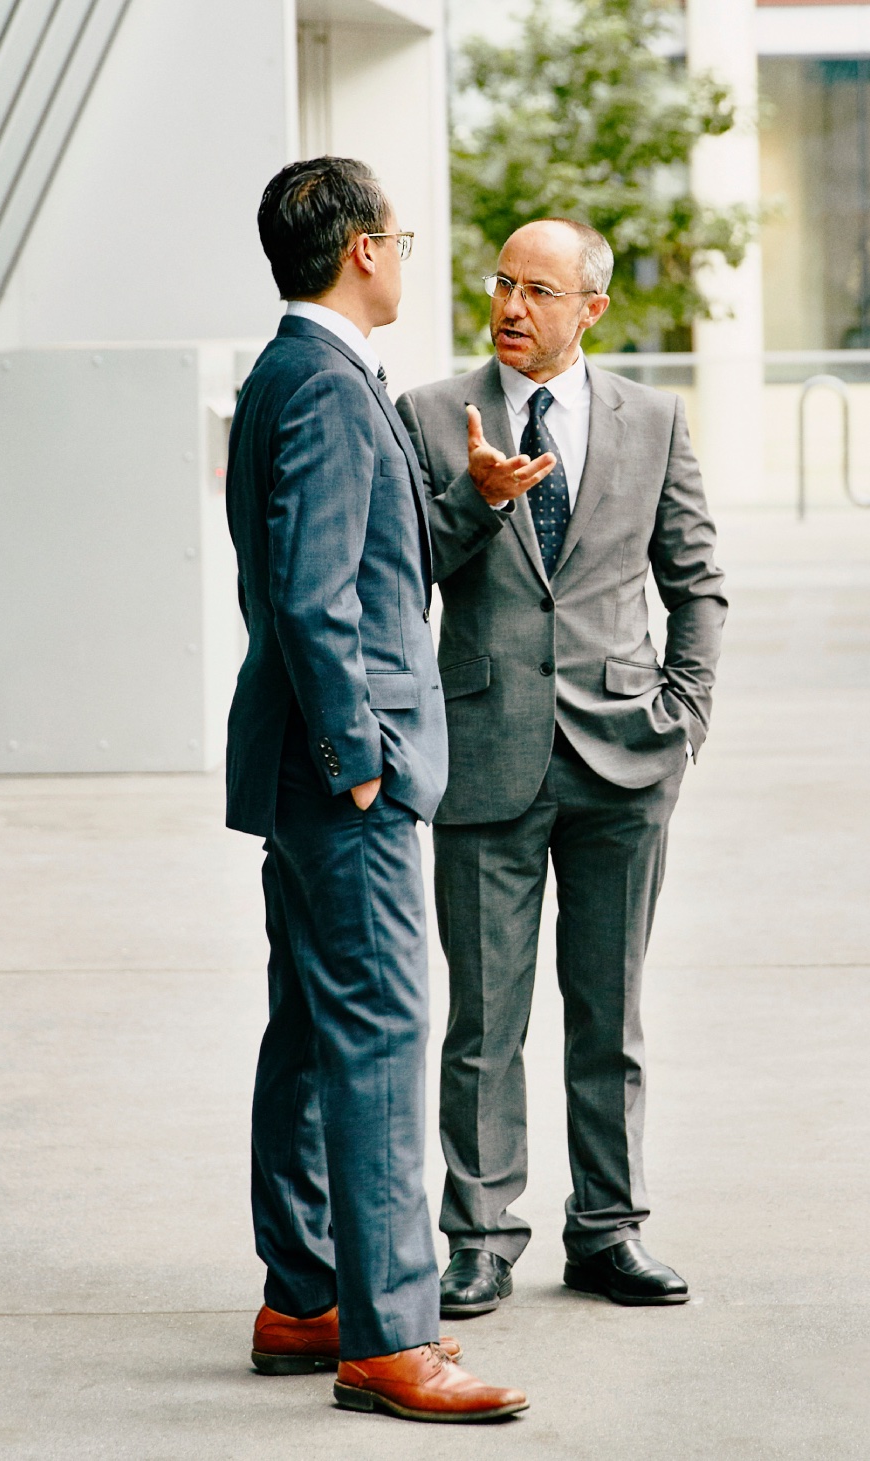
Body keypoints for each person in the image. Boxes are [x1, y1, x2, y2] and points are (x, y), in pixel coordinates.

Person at [224, 156, 526, 1422]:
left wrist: (470, 502)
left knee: (309, 1032)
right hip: (347, 778)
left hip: (304, 774)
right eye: (399, 239)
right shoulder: (327, 385)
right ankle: (391, 1337)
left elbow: (367, 563)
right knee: (382, 1043)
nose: (406, 257)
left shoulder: (296, 372)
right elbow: (313, 598)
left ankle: (304, 1297)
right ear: (359, 251)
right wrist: (362, 768)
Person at [396, 219, 727, 1317]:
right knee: (483, 1023)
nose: (510, 306)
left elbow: (696, 580)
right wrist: (479, 498)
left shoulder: (652, 419)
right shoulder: (432, 415)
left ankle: (608, 1230)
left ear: (591, 307)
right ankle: (480, 1239)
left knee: (607, 1014)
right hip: (484, 754)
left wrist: (684, 715)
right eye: (502, 283)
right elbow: (404, 570)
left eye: (538, 290)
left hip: (624, 758)